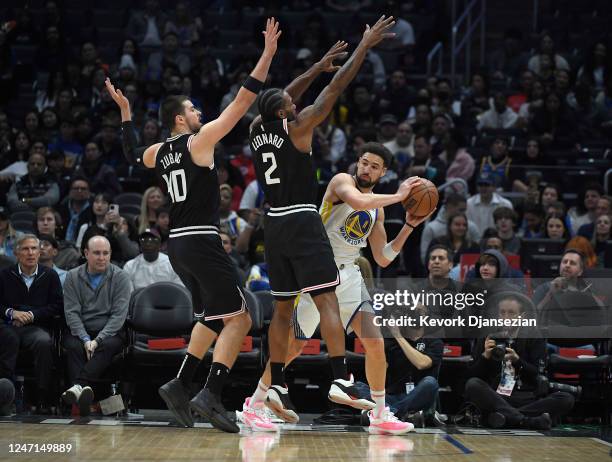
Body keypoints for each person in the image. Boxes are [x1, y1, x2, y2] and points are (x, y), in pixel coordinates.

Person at [106, 18, 281, 433]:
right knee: (240, 320)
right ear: (180, 120)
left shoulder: (157, 152)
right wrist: (267, 56)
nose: (200, 112)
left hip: (178, 248)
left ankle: (181, 384)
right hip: (201, 242)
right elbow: (241, 104)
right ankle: (211, 394)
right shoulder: (197, 142)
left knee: (207, 318)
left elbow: (131, 154)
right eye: (193, 108)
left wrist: (126, 113)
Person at [247, 16, 396, 426]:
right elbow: (336, 89)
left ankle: (273, 386)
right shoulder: (299, 129)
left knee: (282, 313)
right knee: (326, 299)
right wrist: (363, 47)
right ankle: (340, 378)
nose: (297, 104)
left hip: (271, 223)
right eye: (292, 105)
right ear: (286, 112)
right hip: (300, 221)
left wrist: (314, 67)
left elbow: (277, 98)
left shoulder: (258, 129)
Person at [239, 143, 425, 433]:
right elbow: (359, 202)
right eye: (364, 162)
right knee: (295, 345)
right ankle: (254, 404)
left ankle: (379, 414)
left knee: (375, 342)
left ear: (383, 171)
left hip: (350, 276)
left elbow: (383, 258)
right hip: (318, 273)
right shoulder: (342, 182)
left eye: (374, 166)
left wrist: (409, 227)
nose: (366, 169)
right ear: (357, 162)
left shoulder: (379, 210)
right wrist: (400, 196)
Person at [464, 292, 574, 430]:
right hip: (496, 397)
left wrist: (518, 361)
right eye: (502, 313)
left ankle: (505, 417)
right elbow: (472, 377)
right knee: (473, 384)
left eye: (511, 313)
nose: (506, 317)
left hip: (526, 397)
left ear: (522, 317)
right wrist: (485, 357)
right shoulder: (488, 337)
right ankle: (527, 421)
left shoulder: (534, 337)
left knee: (566, 398)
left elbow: (538, 375)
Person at [62, 235, 131, 416]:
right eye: (97, 253)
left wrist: (98, 340)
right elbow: (72, 313)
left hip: (110, 332)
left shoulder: (121, 277)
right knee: (72, 345)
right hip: (81, 331)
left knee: (107, 346)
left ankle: (78, 388)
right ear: (86, 253)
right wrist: (85, 339)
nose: (102, 258)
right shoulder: (72, 276)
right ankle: (83, 402)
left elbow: (118, 316)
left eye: (106, 253)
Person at [0, 234, 63, 412]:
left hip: (36, 326)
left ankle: (42, 397)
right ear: (16, 253)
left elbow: (57, 306)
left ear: (39, 252)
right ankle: (7, 398)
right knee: (9, 339)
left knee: (43, 342)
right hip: (8, 325)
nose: (30, 253)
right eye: (25, 249)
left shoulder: (50, 275)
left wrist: (31, 315)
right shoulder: (4, 275)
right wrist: (12, 313)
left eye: (34, 249)